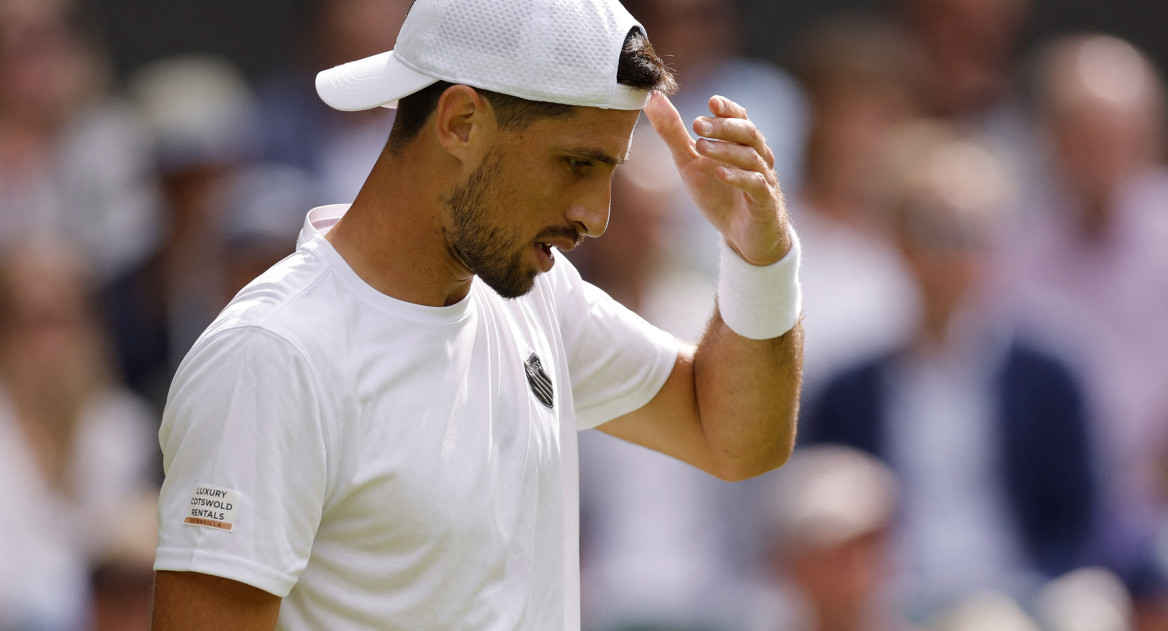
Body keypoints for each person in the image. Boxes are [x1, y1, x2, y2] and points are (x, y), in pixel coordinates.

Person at [150, 0, 804, 630]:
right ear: (460, 121)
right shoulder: (270, 357)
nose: (596, 215)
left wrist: (760, 258)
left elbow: (736, 436)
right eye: (577, 162)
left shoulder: (538, 296)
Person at [803, 122, 1097, 624]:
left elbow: (1080, 521)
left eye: (966, 232)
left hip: (1022, 599)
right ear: (896, 241)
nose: (948, 253)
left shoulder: (1050, 377)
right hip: (889, 608)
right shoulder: (848, 390)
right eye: (928, 229)